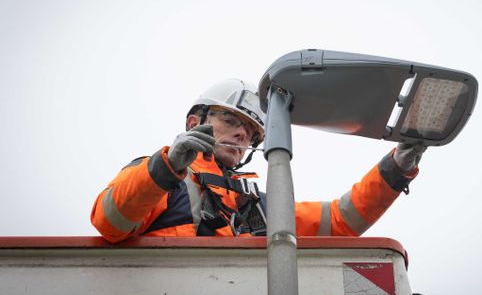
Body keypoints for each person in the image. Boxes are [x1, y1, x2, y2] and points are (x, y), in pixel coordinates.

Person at [91, 79, 426, 243]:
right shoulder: (159, 176)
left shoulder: (260, 205)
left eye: (251, 132)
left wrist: (397, 167)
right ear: (195, 123)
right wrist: (165, 168)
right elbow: (110, 222)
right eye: (232, 122)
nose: (242, 136)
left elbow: (341, 220)